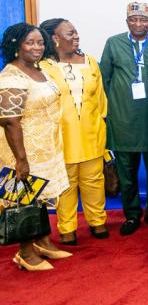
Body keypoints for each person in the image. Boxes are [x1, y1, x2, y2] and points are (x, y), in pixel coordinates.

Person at [0, 23, 71, 271]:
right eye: (30, 42)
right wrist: (20, 159)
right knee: (22, 199)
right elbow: (9, 121)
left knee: (40, 198)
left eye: (40, 42)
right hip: (22, 150)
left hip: (46, 147)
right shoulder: (11, 76)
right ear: (16, 46)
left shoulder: (37, 70)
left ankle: (43, 242)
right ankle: (25, 253)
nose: (37, 47)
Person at [100, 2, 148, 236]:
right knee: (126, 173)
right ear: (127, 21)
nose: (138, 24)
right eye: (133, 19)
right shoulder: (113, 43)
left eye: (143, 20)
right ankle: (131, 215)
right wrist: (118, 104)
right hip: (123, 119)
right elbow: (105, 79)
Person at [39, 18, 109, 246]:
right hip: (60, 139)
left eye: (76, 32)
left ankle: (97, 222)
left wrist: (100, 127)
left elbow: (100, 101)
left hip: (92, 135)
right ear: (55, 39)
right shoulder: (43, 67)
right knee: (66, 185)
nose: (76, 37)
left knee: (94, 182)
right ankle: (67, 228)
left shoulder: (90, 62)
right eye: (70, 34)